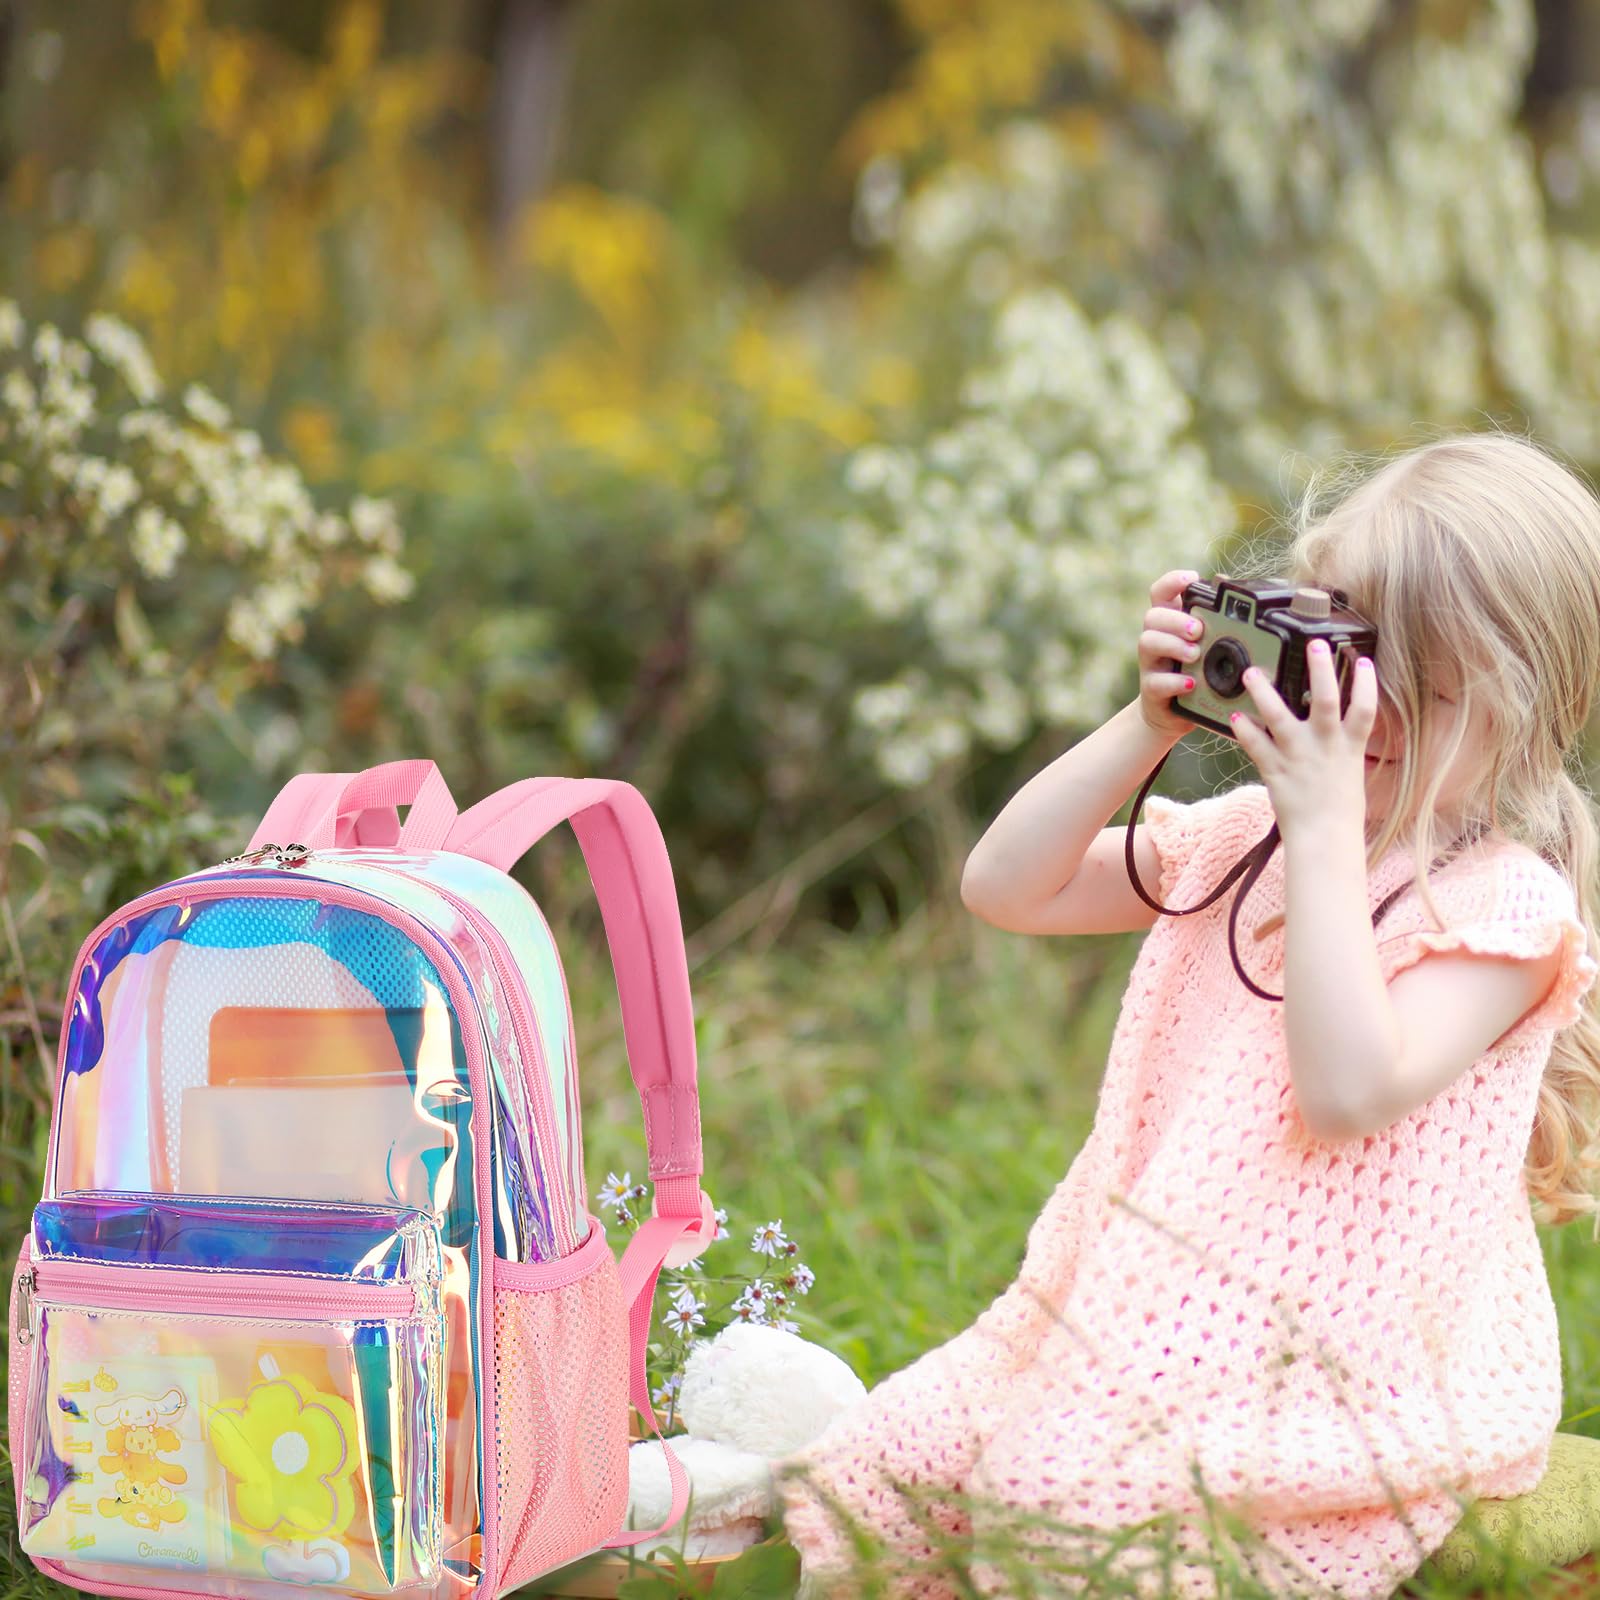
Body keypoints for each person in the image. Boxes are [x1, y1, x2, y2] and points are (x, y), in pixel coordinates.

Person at [771, 430, 1600, 1600]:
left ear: (1530, 706)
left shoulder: (1505, 906)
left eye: (1426, 685)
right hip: (1140, 1312)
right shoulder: (1246, 843)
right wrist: (1148, 724)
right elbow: (1009, 888)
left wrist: (1314, 831)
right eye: (1353, 661)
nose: (1368, 713)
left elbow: (1348, 1085)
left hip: (1346, 1365)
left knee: (1062, 1507)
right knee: (878, 1469)